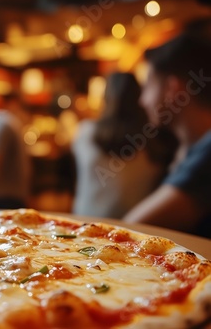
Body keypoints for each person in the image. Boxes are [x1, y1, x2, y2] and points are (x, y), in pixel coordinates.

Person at [123, 25, 211, 237]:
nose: (142, 100)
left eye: (148, 86)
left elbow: (130, 230)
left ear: (173, 89)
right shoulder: (190, 147)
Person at [72, 72, 177, 219]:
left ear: (106, 97)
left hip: (86, 217)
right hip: (137, 224)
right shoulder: (154, 141)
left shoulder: (86, 132)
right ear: (140, 96)